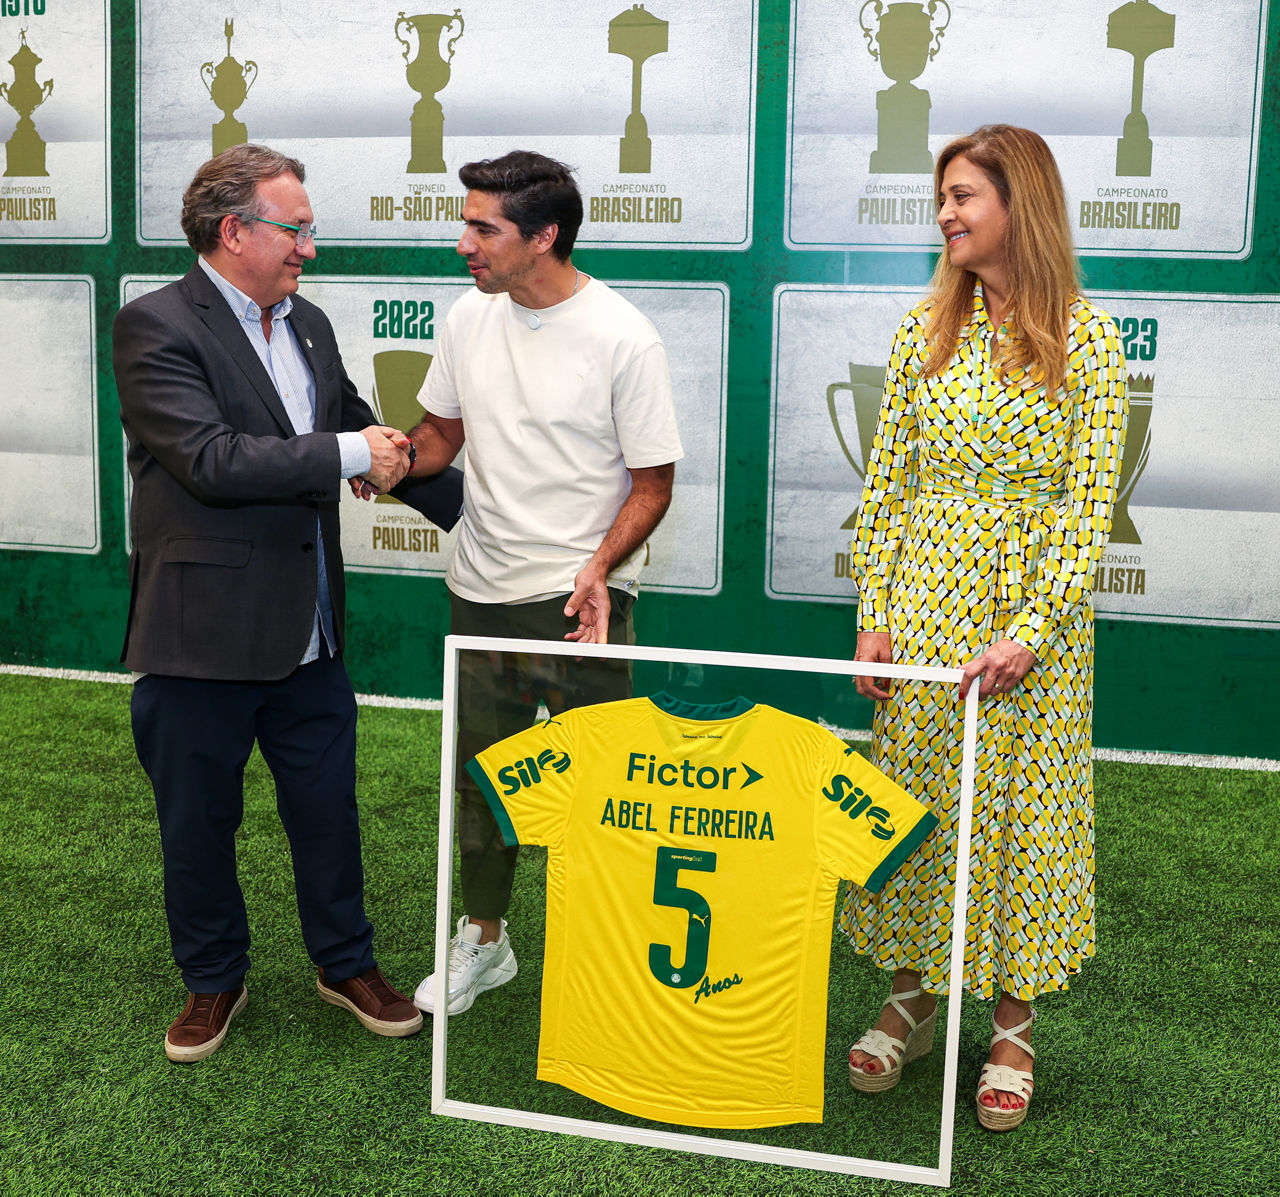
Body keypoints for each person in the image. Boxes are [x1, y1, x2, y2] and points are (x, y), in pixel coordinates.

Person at [114, 143, 456, 1061]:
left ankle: (346, 963)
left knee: (327, 811)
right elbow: (212, 459)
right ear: (234, 231)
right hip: (198, 639)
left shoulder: (307, 322)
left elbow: (352, 425)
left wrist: (475, 509)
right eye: (295, 229)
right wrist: (351, 453)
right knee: (197, 824)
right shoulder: (154, 326)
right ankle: (212, 978)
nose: (310, 246)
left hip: (310, 631)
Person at [841, 125, 1128, 1130]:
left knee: (1021, 817)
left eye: (963, 196)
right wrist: (875, 615)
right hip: (924, 601)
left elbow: (1086, 508)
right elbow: (887, 485)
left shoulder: (1089, 340)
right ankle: (911, 997)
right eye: (943, 197)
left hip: (1031, 625)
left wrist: (1032, 628)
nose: (945, 214)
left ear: (1020, 205)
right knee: (918, 799)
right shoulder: (923, 332)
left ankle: (1011, 1024)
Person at [386, 150, 683, 1016]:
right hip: (479, 589)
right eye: (466, 224)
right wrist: (387, 457)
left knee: (605, 788)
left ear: (544, 236)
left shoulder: (624, 335)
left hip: (581, 604)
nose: (464, 244)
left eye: (483, 229)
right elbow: (441, 437)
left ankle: (611, 957)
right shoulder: (466, 317)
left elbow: (653, 485)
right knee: (483, 781)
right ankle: (486, 938)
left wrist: (597, 569)